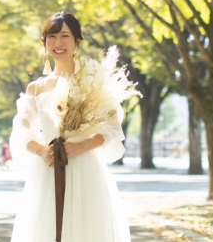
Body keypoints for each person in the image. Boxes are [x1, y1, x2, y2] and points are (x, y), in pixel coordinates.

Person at [9, 12, 132, 241]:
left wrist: (81, 146)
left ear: (77, 43)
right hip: (47, 169)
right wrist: (40, 149)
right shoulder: (36, 88)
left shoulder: (93, 82)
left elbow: (112, 129)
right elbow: (22, 130)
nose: (58, 43)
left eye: (65, 36)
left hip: (86, 169)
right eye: (52, 36)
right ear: (44, 43)